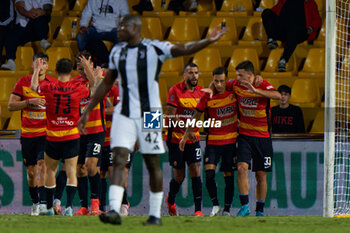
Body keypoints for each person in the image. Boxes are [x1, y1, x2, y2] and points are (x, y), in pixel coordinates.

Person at [78, 14, 227, 225]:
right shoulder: (117, 51)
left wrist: (209, 41)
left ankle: (155, 213)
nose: (118, 31)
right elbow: (105, 84)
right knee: (119, 158)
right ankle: (114, 209)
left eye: (122, 27)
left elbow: (183, 50)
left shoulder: (153, 48)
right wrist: (87, 111)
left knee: (151, 161)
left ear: (135, 29)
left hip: (150, 112)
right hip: (124, 111)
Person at [30, 58, 90, 216]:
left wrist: (36, 69)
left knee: (50, 170)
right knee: (71, 171)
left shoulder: (48, 87)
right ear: (72, 72)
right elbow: (96, 87)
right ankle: (69, 207)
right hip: (71, 135)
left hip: (52, 137)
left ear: (55, 71)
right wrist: (88, 69)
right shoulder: (78, 88)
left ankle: (49, 207)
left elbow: (33, 86)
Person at [179, 67, 238, 216]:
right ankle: (215, 204)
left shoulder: (234, 93)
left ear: (227, 80)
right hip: (213, 143)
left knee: (229, 177)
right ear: (212, 80)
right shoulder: (207, 96)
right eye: (216, 81)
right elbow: (196, 116)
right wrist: (186, 135)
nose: (218, 85)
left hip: (230, 143)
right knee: (209, 174)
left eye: (222, 81)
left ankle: (227, 209)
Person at [226, 61, 280, 217]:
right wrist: (210, 88)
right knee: (241, 167)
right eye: (237, 75)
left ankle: (260, 210)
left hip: (263, 137)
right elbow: (219, 82)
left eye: (240, 75)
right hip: (244, 136)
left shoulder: (261, 83)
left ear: (250, 75)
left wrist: (256, 90)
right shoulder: (235, 84)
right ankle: (244, 207)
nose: (237, 78)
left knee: (261, 175)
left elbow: (277, 95)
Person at [8, 53, 55, 215]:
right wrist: (29, 102)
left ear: (47, 66)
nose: (40, 66)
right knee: (30, 172)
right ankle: (35, 202)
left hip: (45, 133)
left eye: (43, 63)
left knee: (43, 166)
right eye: (37, 62)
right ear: (33, 64)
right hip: (28, 134)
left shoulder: (52, 84)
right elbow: (10, 106)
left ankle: (43, 203)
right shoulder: (23, 82)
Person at [164, 63, 204, 216]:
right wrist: (187, 130)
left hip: (193, 138)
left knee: (195, 171)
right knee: (180, 177)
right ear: (184, 75)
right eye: (190, 73)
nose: (194, 76)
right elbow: (171, 116)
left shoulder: (201, 92)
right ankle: (171, 200)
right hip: (176, 138)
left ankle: (198, 210)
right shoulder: (175, 90)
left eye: (196, 72)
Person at [72, 51, 107, 216]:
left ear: (92, 64)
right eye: (79, 68)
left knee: (92, 165)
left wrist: (89, 70)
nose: (81, 71)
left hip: (97, 130)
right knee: (80, 169)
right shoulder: (74, 82)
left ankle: (95, 204)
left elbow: (99, 93)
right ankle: (84, 206)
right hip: (79, 133)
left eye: (84, 66)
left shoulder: (101, 78)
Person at [262, 0, 321, 72]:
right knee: (266, 13)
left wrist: (311, 27)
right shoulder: (284, 1)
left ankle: (283, 60)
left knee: (294, 30)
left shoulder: (310, 2)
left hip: (300, 32)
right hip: (283, 30)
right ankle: (271, 39)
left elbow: (317, 19)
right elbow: (274, 12)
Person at [1, 0, 53, 71]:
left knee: (40, 20)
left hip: (37, 24)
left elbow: (48, 7)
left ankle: (43, 40)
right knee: (11, 36)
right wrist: (28, 13)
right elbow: (19, 7)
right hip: (23, 26)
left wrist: (42, 12)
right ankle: (11, 61)